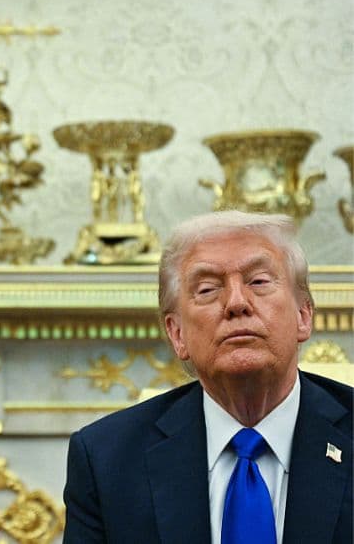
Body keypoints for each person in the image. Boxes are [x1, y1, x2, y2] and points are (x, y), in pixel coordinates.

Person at [63, 211, 352, 544]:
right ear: (177, 334)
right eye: (207, 289)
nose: (236, 303)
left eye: (258, 281)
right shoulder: (107, 460)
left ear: (303, 315)